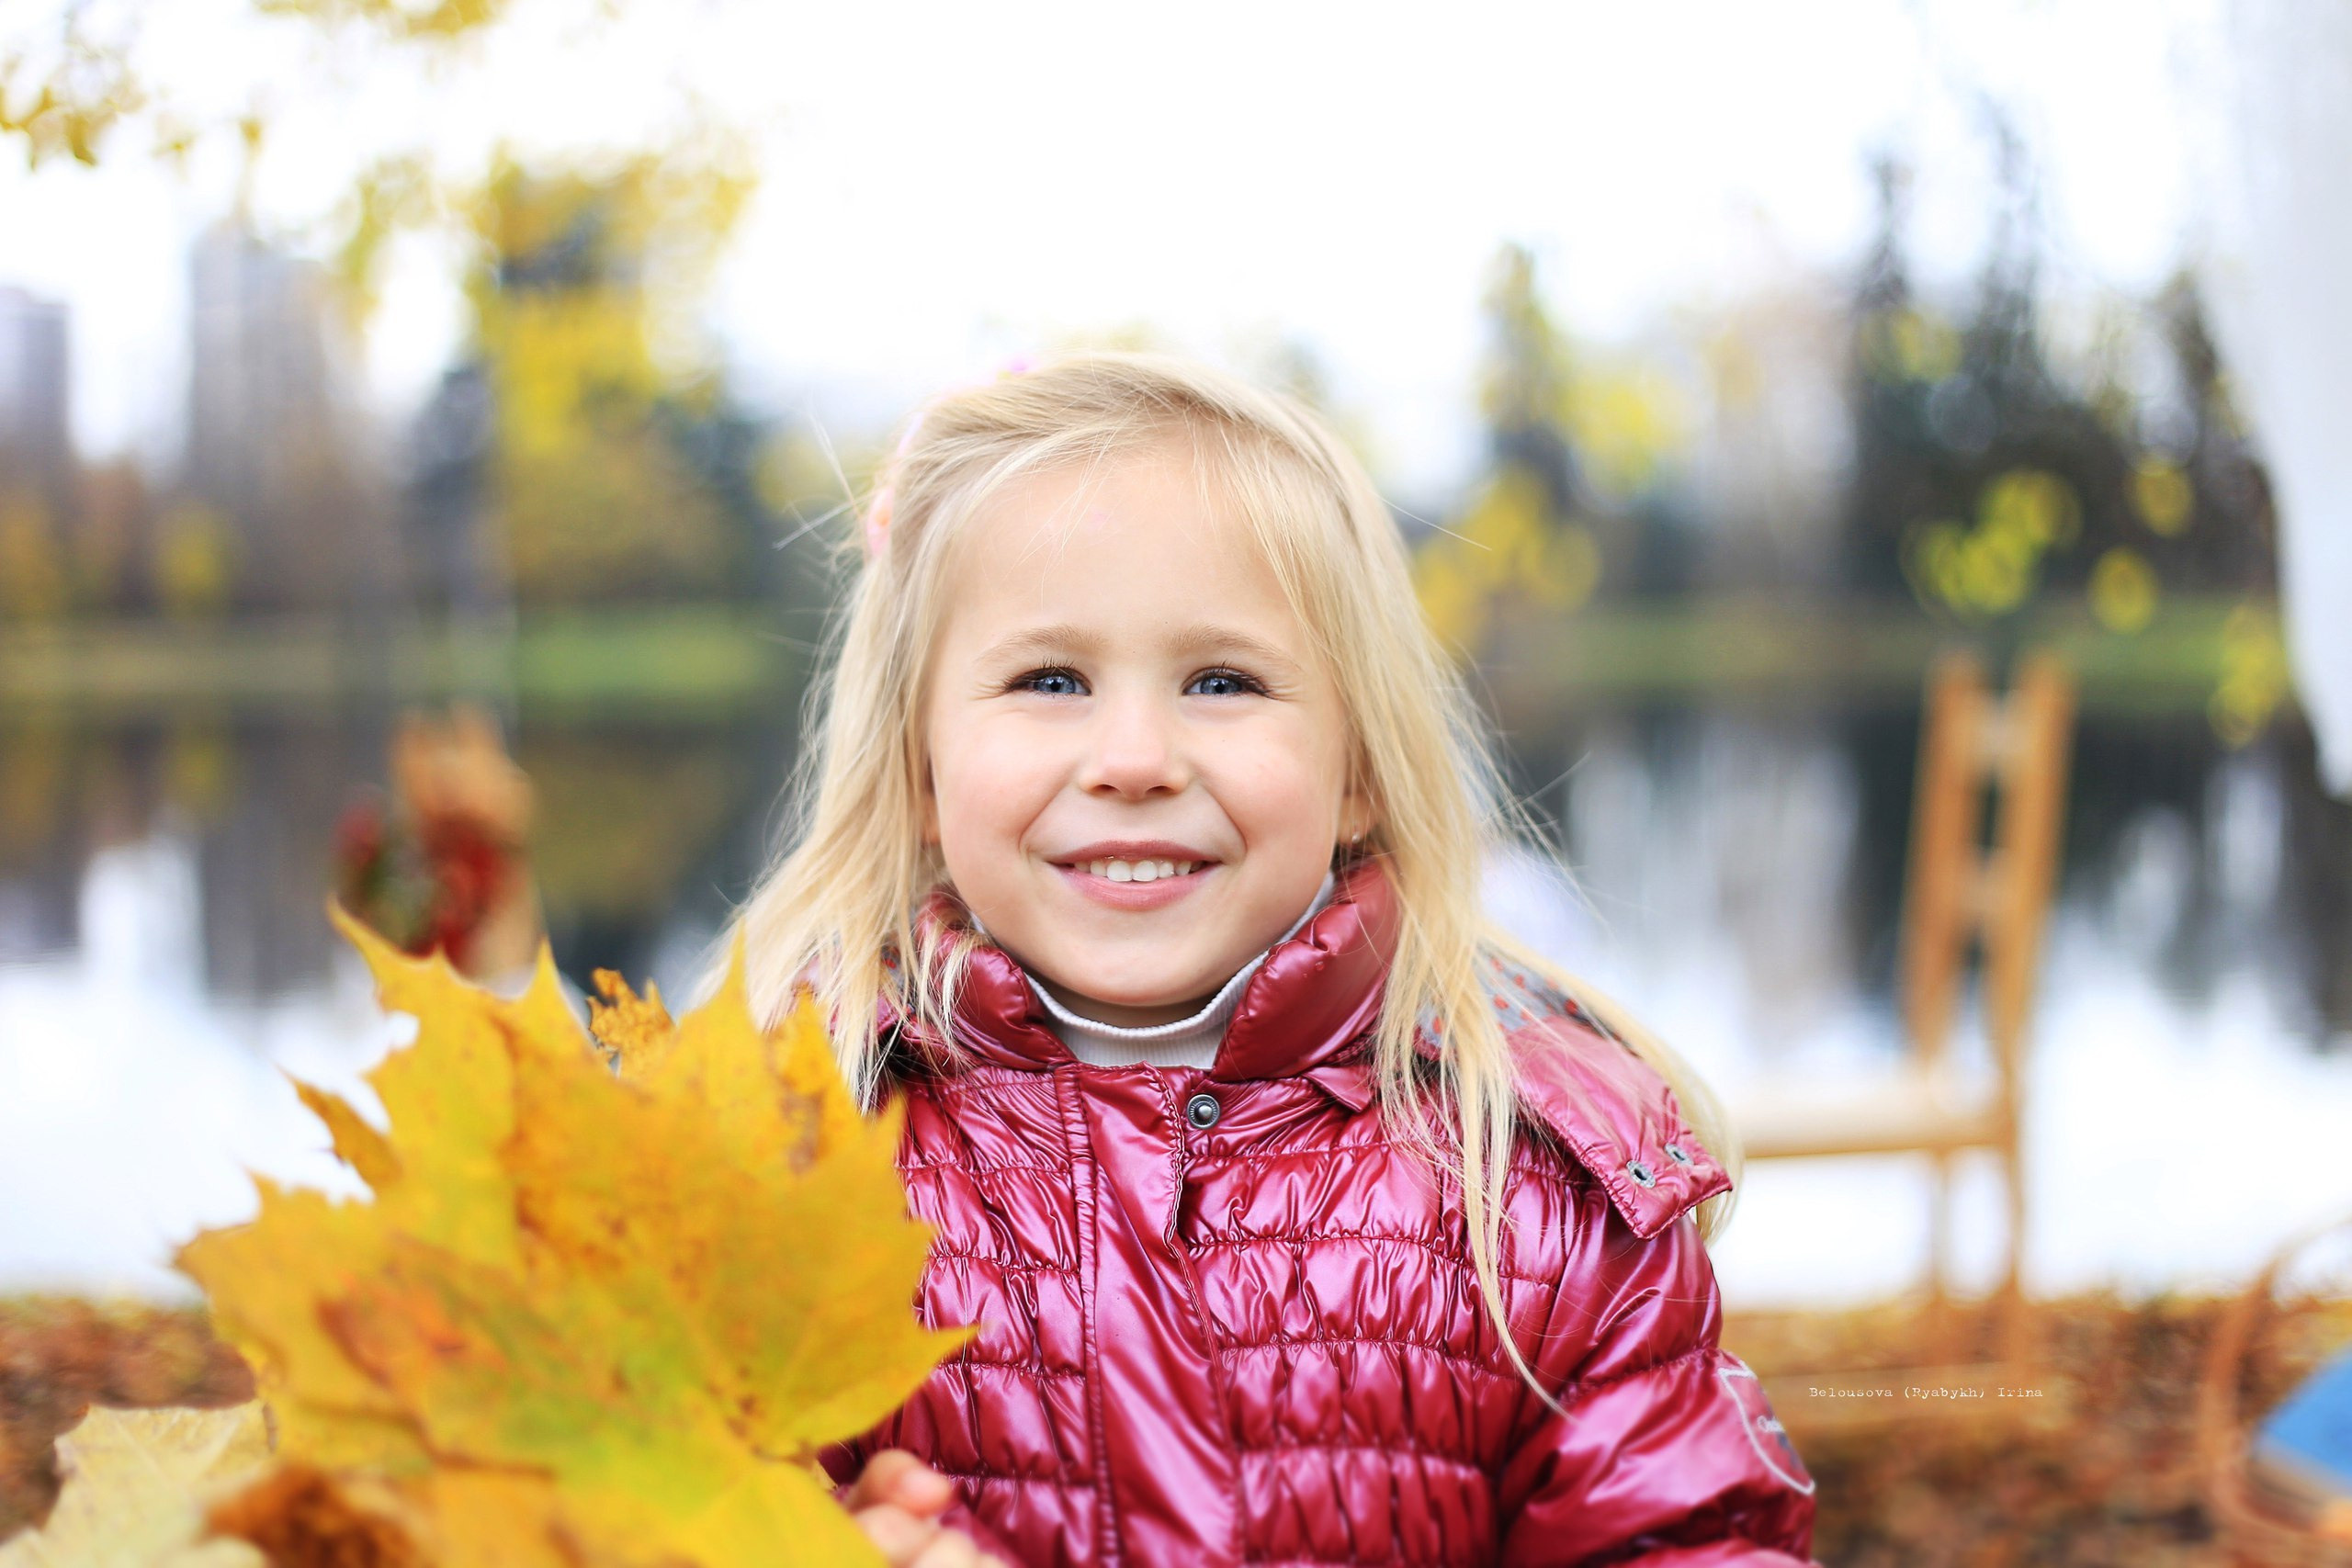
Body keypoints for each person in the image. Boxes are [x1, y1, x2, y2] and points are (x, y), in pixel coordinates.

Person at [720, 352, 1819, 1566]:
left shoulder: (1532, 1185)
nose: (1133, 757)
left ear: (1358, 771)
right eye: (1049, 679)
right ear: (921, 770)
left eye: (1222, 680)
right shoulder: (778, 1159)